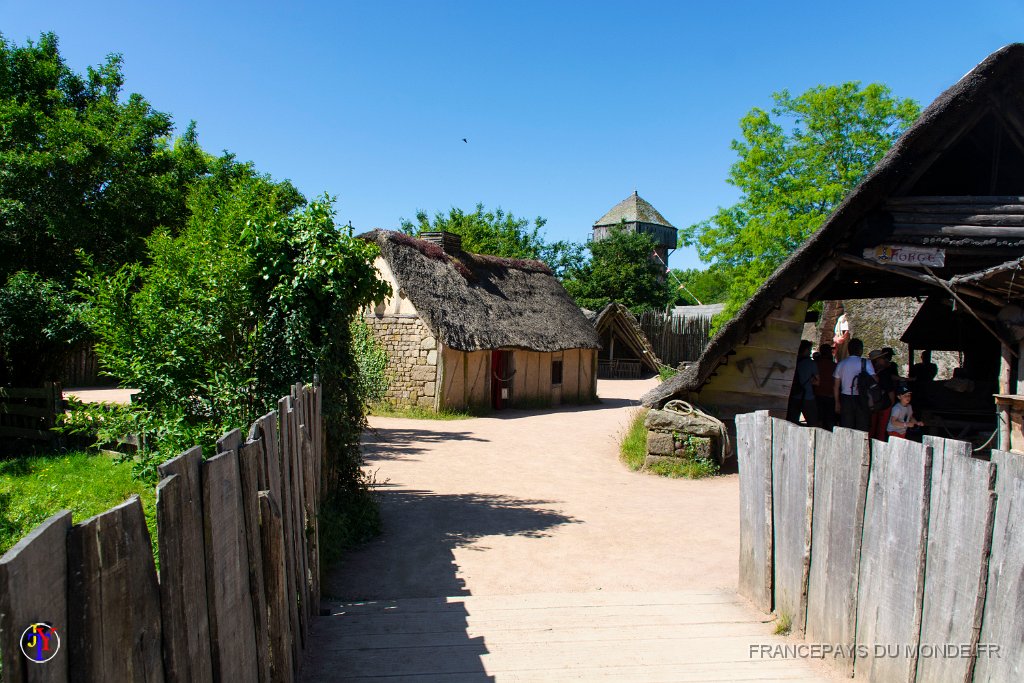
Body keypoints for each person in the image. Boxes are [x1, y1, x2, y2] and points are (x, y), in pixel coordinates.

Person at [833, 338, 875, 431]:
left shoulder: (841, 364)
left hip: (846, 398)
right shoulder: (866, 363)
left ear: (848, 350)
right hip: (862, 397)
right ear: (861, 350)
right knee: (862, 427)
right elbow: (875, 380)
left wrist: (837, 402)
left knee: (847, 427)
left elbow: (836, 386)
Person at [786, 340, 819, 426]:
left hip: (794, 395)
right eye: (810, 349)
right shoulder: (811, 363)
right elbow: (818, 382)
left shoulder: (793, 361)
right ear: (806, 350)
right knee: (813, 423)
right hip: (808, 396)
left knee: (792, 423)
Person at [868, 348, 898, 441]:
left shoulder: (869, 373)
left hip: (873, 404)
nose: (884, 359)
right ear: (877, 360)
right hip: (884, 405)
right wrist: (891, 404)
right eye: (882, 358)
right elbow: (890, 391)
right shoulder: (885, 373)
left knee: (871, 428)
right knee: (881, 430)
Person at [814, 343, 836, 430]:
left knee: (819, 420)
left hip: (818, 394)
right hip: (830, 395)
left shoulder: (816, 364)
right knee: (830, 420)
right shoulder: (834, 365)